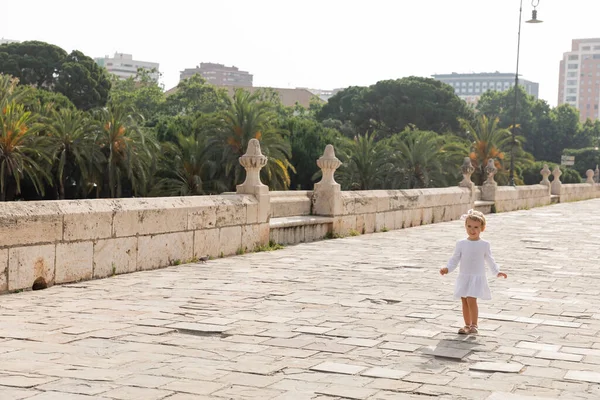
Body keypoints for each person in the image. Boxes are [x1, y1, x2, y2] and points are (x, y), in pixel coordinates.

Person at [439, 209, 507, 335]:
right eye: (469, 226)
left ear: (482, 228)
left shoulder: (484, 244)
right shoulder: (461, 243)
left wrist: (497, 271)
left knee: (471, 299)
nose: (472, 230)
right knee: (464, 300)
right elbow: (455, 259)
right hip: (464, 277)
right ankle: (467, 325)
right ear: (465, 226)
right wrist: (447, 268)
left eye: (476, 227)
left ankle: (474, 325)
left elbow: (490, 259)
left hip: (476, 277)